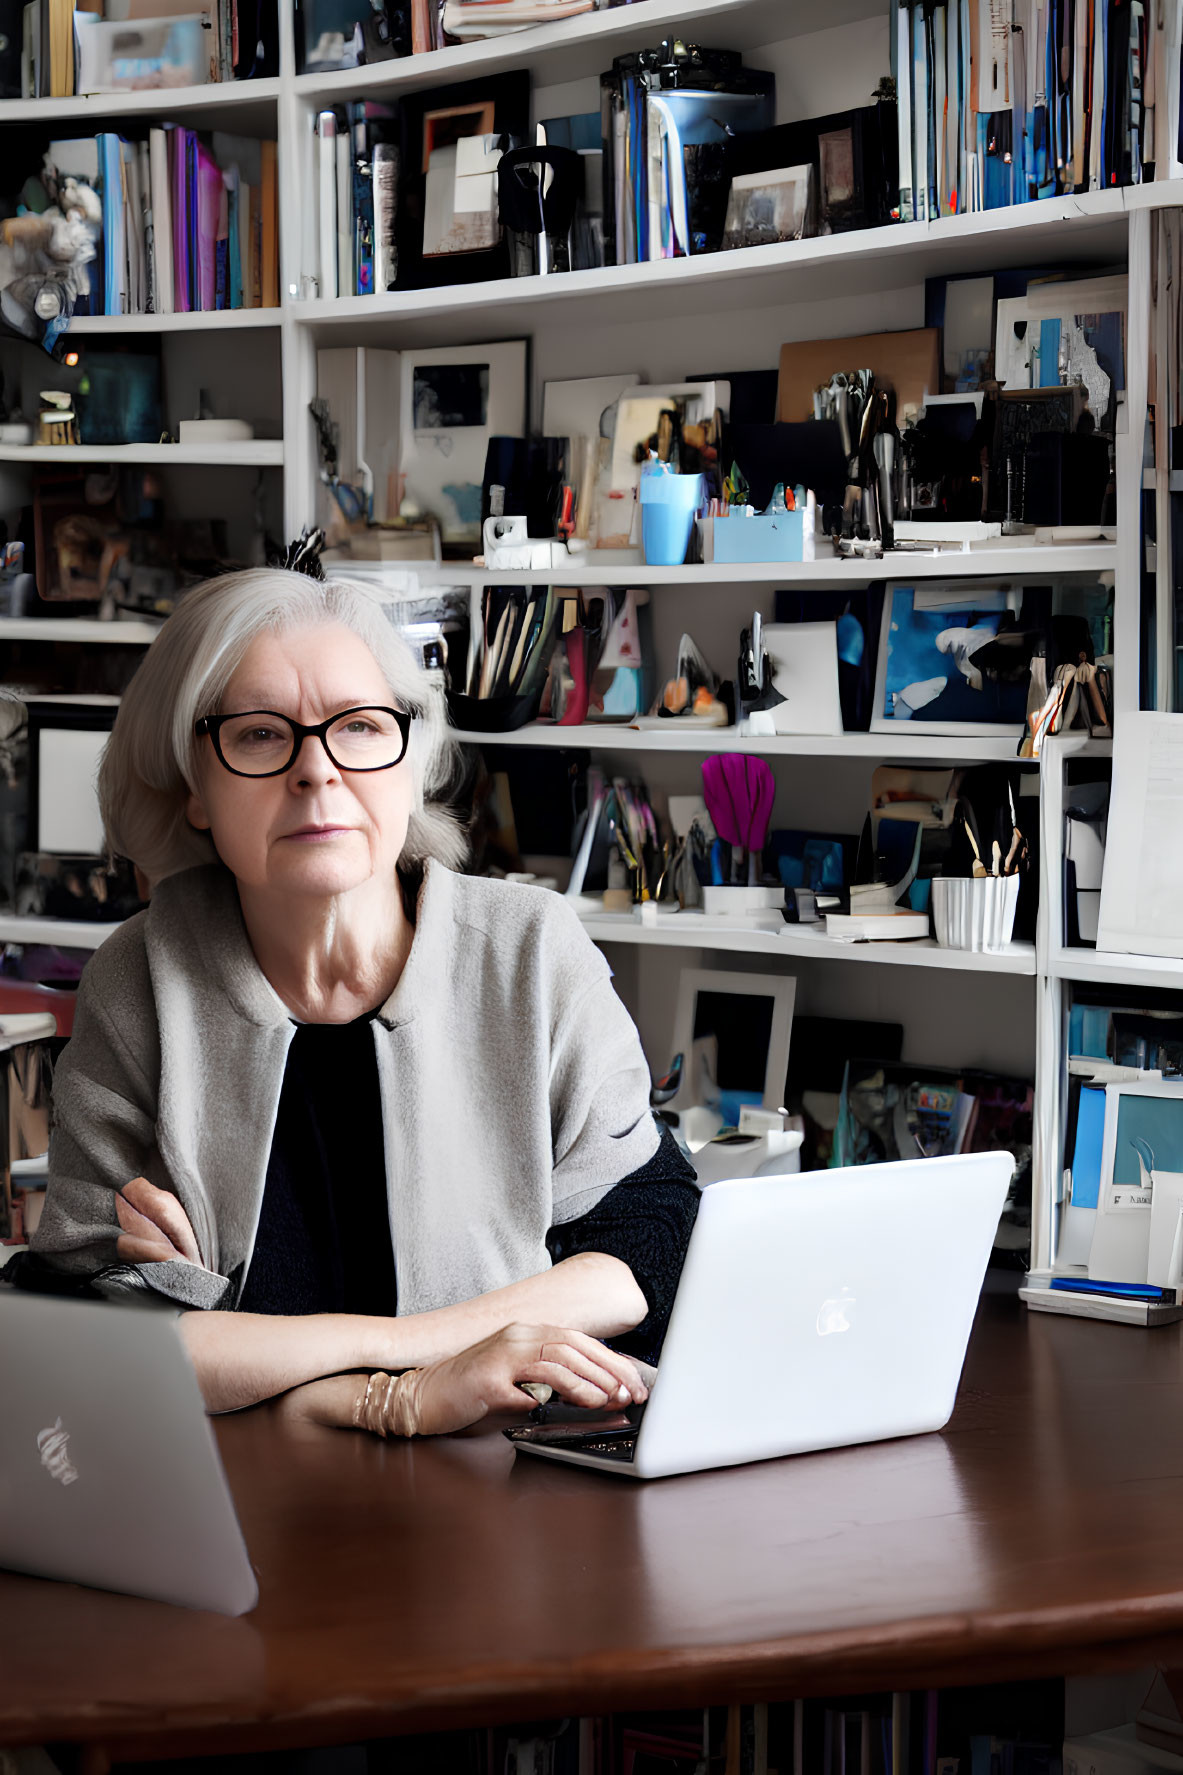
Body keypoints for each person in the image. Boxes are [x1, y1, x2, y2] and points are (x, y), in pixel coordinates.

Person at [19, 568, 699, 1439]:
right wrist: (407, 1388)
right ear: (195, 784)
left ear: (409, 764)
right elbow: (89, 1329)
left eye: (361, 727)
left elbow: (646, 1245)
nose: (317, 770)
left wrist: (291, 1364)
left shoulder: (530, 950)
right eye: (261, 735)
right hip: (246, 1506)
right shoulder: (140, 975)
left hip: (506, 1489)